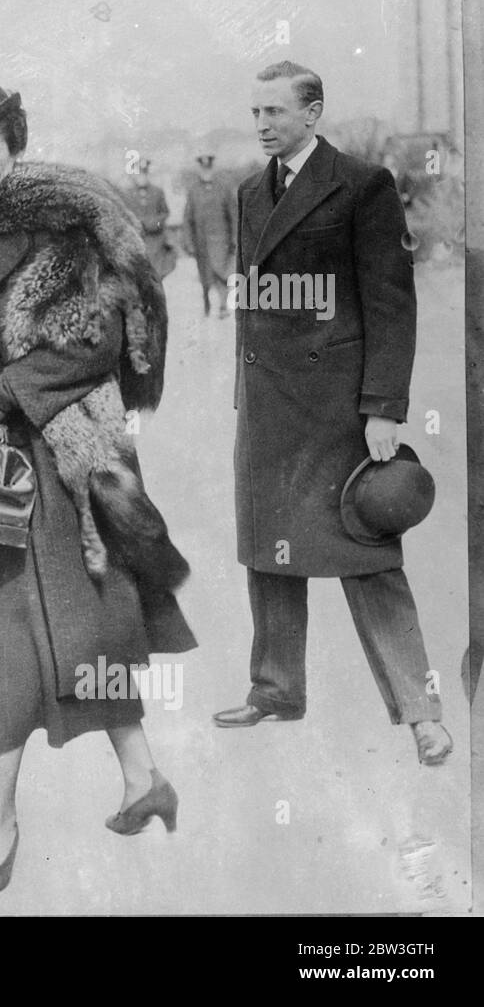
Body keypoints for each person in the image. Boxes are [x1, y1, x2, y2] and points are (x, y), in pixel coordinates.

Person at [0, 81, 197, 899]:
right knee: (53, 624)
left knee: (64, 623)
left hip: (70, 457)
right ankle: (141, 774)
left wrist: (3, 393)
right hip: (11, 467)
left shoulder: (59, 222)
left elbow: (97, 338)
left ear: (17, 146)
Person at [213, 61, 452, 767]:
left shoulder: (362, 185)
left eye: (275, 112)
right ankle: (276, 686)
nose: (262, 124)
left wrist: (383, 407)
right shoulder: (251, 190)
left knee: (366, 546)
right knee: (270, 548)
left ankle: (421, 711)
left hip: (338, 408)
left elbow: (390, 302)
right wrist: (243, 388)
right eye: (255, 112)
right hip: (267, 402)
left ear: (313, 113)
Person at [181, 152, 237, 318]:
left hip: (222, 240)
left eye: (209, 168)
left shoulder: (223, 188)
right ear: (200, 169)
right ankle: (207, 303)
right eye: (203, 168)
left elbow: (233, 215)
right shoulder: (193, 191)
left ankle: (222, 305)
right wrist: (189, 242)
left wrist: (234, 238)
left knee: (220, 271)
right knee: (205, 274)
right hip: (201, 241)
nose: (206, 171)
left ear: (213, 168)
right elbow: (187, 219)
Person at [120, 158, 175, 279]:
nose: (142, 177)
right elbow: (125, 214)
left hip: (156, 240)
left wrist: (155, 222)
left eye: (144, 174)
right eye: (139, 174)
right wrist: (139, 222)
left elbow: (165, 212)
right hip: (138, 240)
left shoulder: (158, 192)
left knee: (157, 274)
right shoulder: (127, 193)